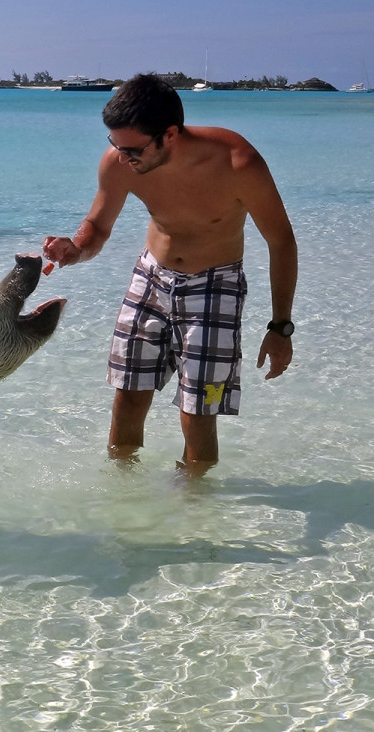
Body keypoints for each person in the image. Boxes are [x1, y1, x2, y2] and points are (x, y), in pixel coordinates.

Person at [43, 74, 297, 475]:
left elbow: (281, 242)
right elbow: (98, 226)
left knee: (198, 411)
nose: (124, 157)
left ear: (171, 134)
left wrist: (280, 328)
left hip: (215, 284)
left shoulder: (238, 163)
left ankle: (194, 514)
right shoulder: (121, 160)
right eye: (116, 145)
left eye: (134, 149)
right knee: (127, 396)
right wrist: (75, 249)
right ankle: (123, 498)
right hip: (151, 277)